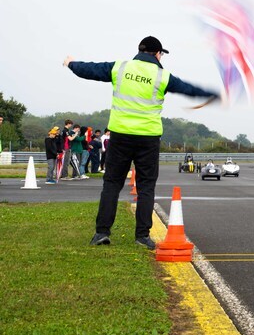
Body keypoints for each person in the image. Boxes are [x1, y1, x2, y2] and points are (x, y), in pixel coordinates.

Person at [64, 35, 219, 249]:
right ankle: (142, 236)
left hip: (120, 136)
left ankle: (101, 233)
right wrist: (210, 94)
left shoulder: (120, 67)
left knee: (111, 184)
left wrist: (71, 63)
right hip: (148, 138)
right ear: (157, 54)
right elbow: (186, 88)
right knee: (146, 186)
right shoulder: (162, 76)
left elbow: (89, 69)